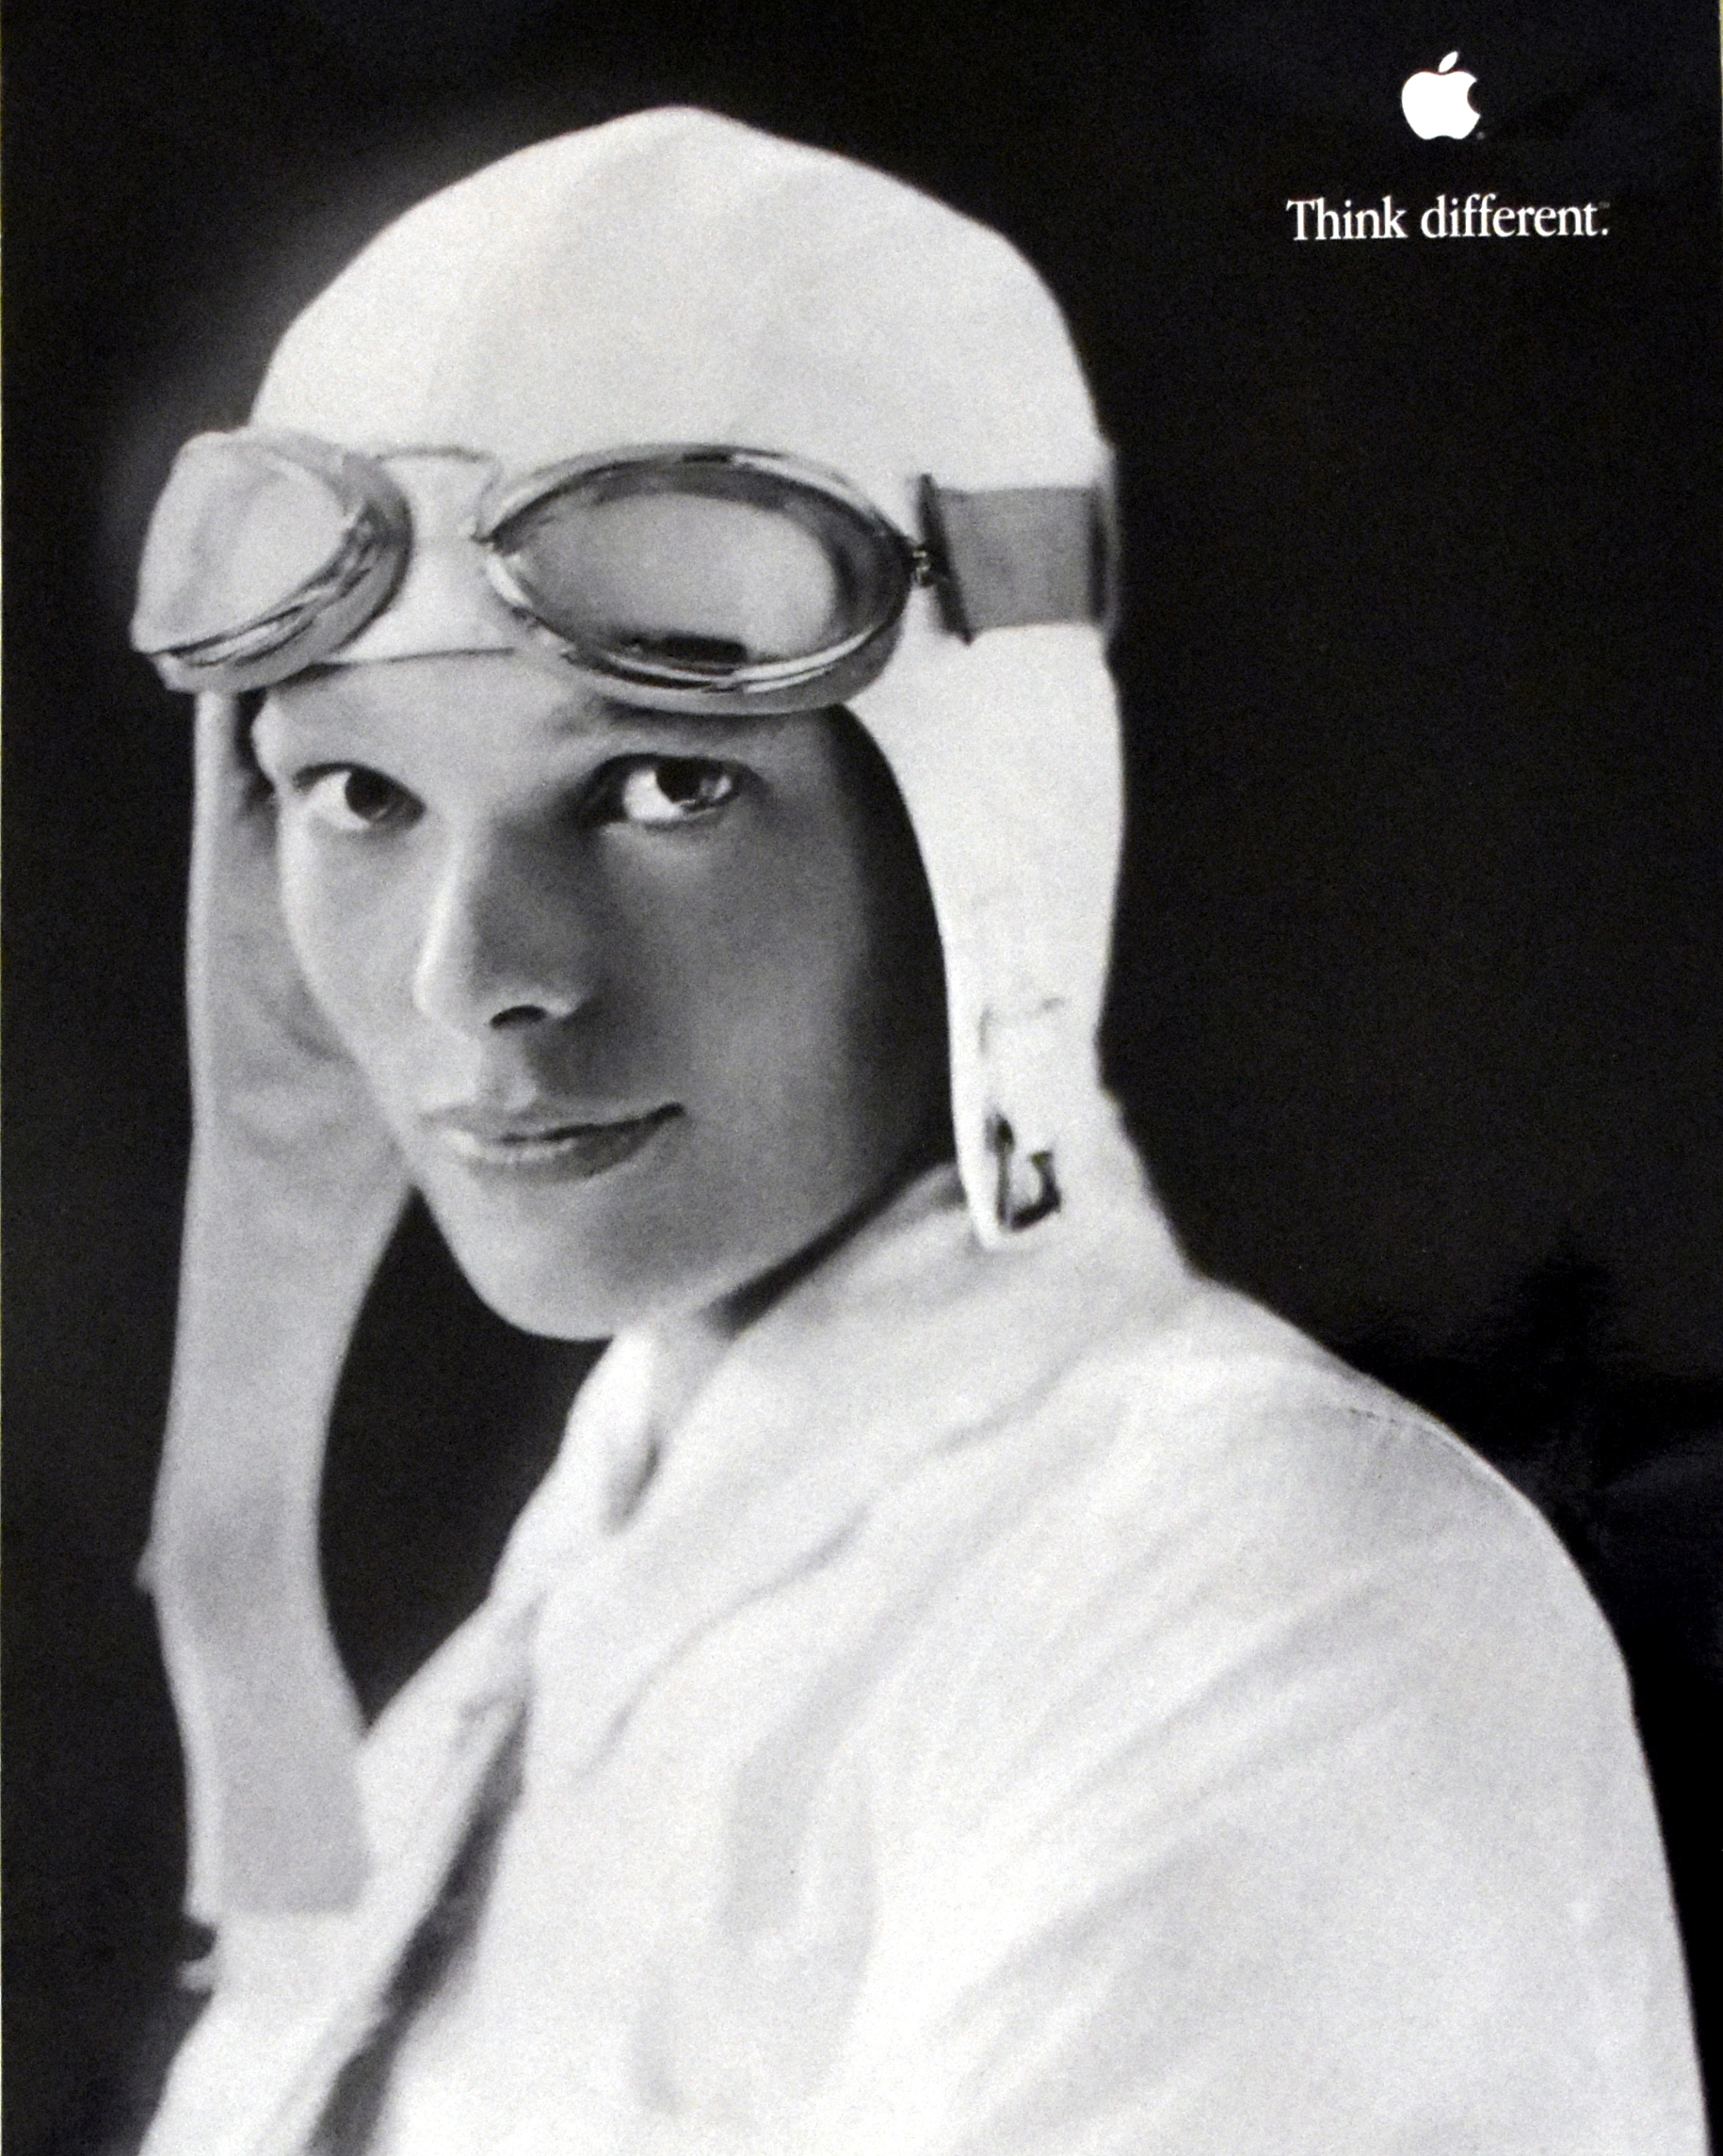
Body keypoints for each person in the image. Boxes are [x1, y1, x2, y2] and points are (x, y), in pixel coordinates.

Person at [127, 107, 1705, 2155]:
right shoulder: (553, 1636)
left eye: (663, 787)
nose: (472, 974)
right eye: (359, 797)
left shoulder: (1275, 1601)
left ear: (983, 817)